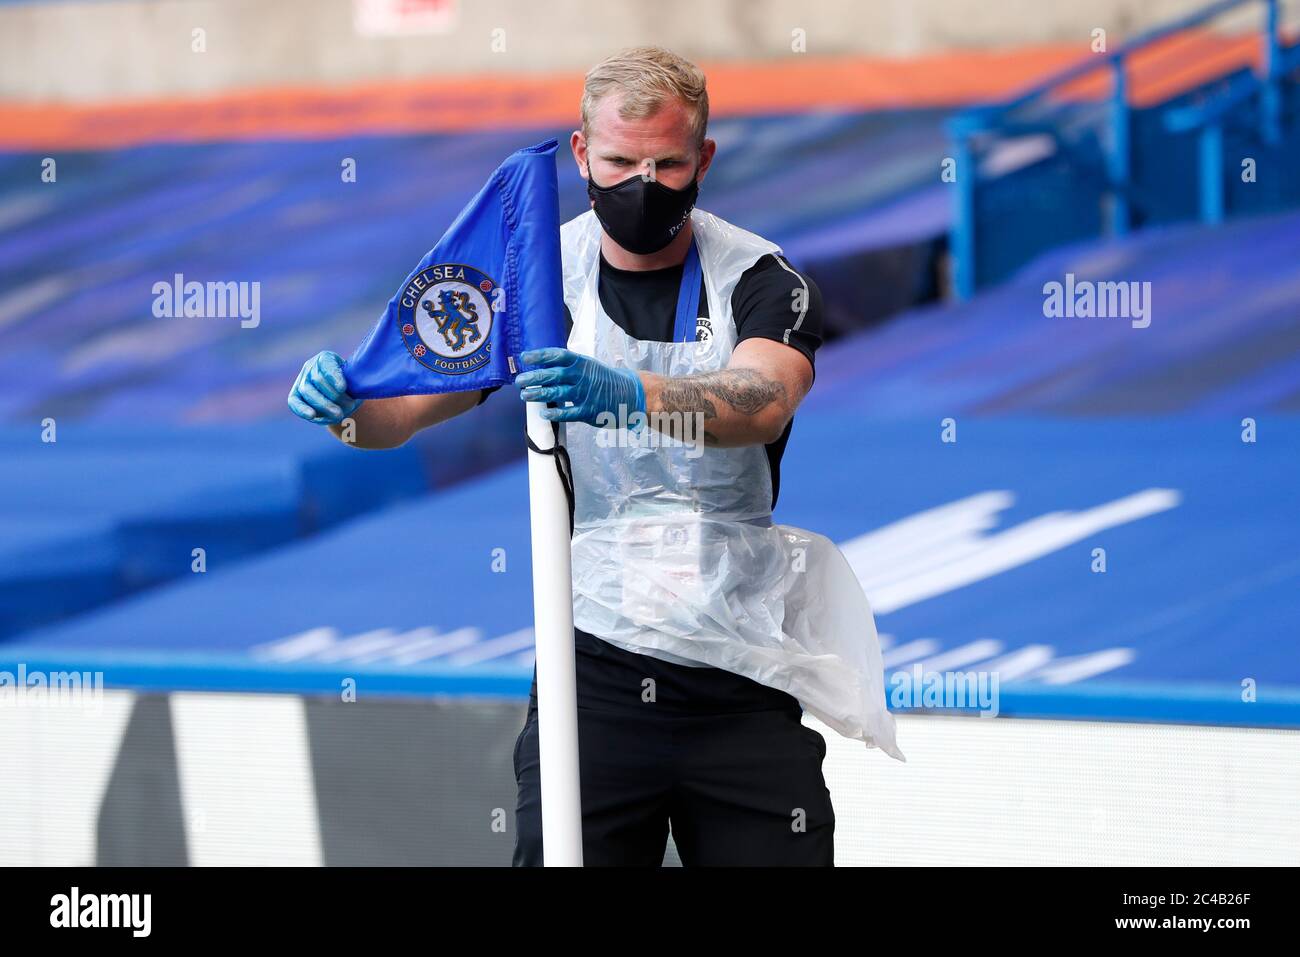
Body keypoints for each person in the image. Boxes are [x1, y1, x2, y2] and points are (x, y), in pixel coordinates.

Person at [289, 47, 847, 866]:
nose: (642, 183)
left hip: (741, 668)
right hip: (591, 672)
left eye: (667, 163)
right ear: (582, 154)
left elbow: (762, 404)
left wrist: (628, 394)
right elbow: (400, 413)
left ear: (705, 161)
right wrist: (344, 412)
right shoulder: (534, 282)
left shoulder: (762, 279)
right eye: (621, 161)